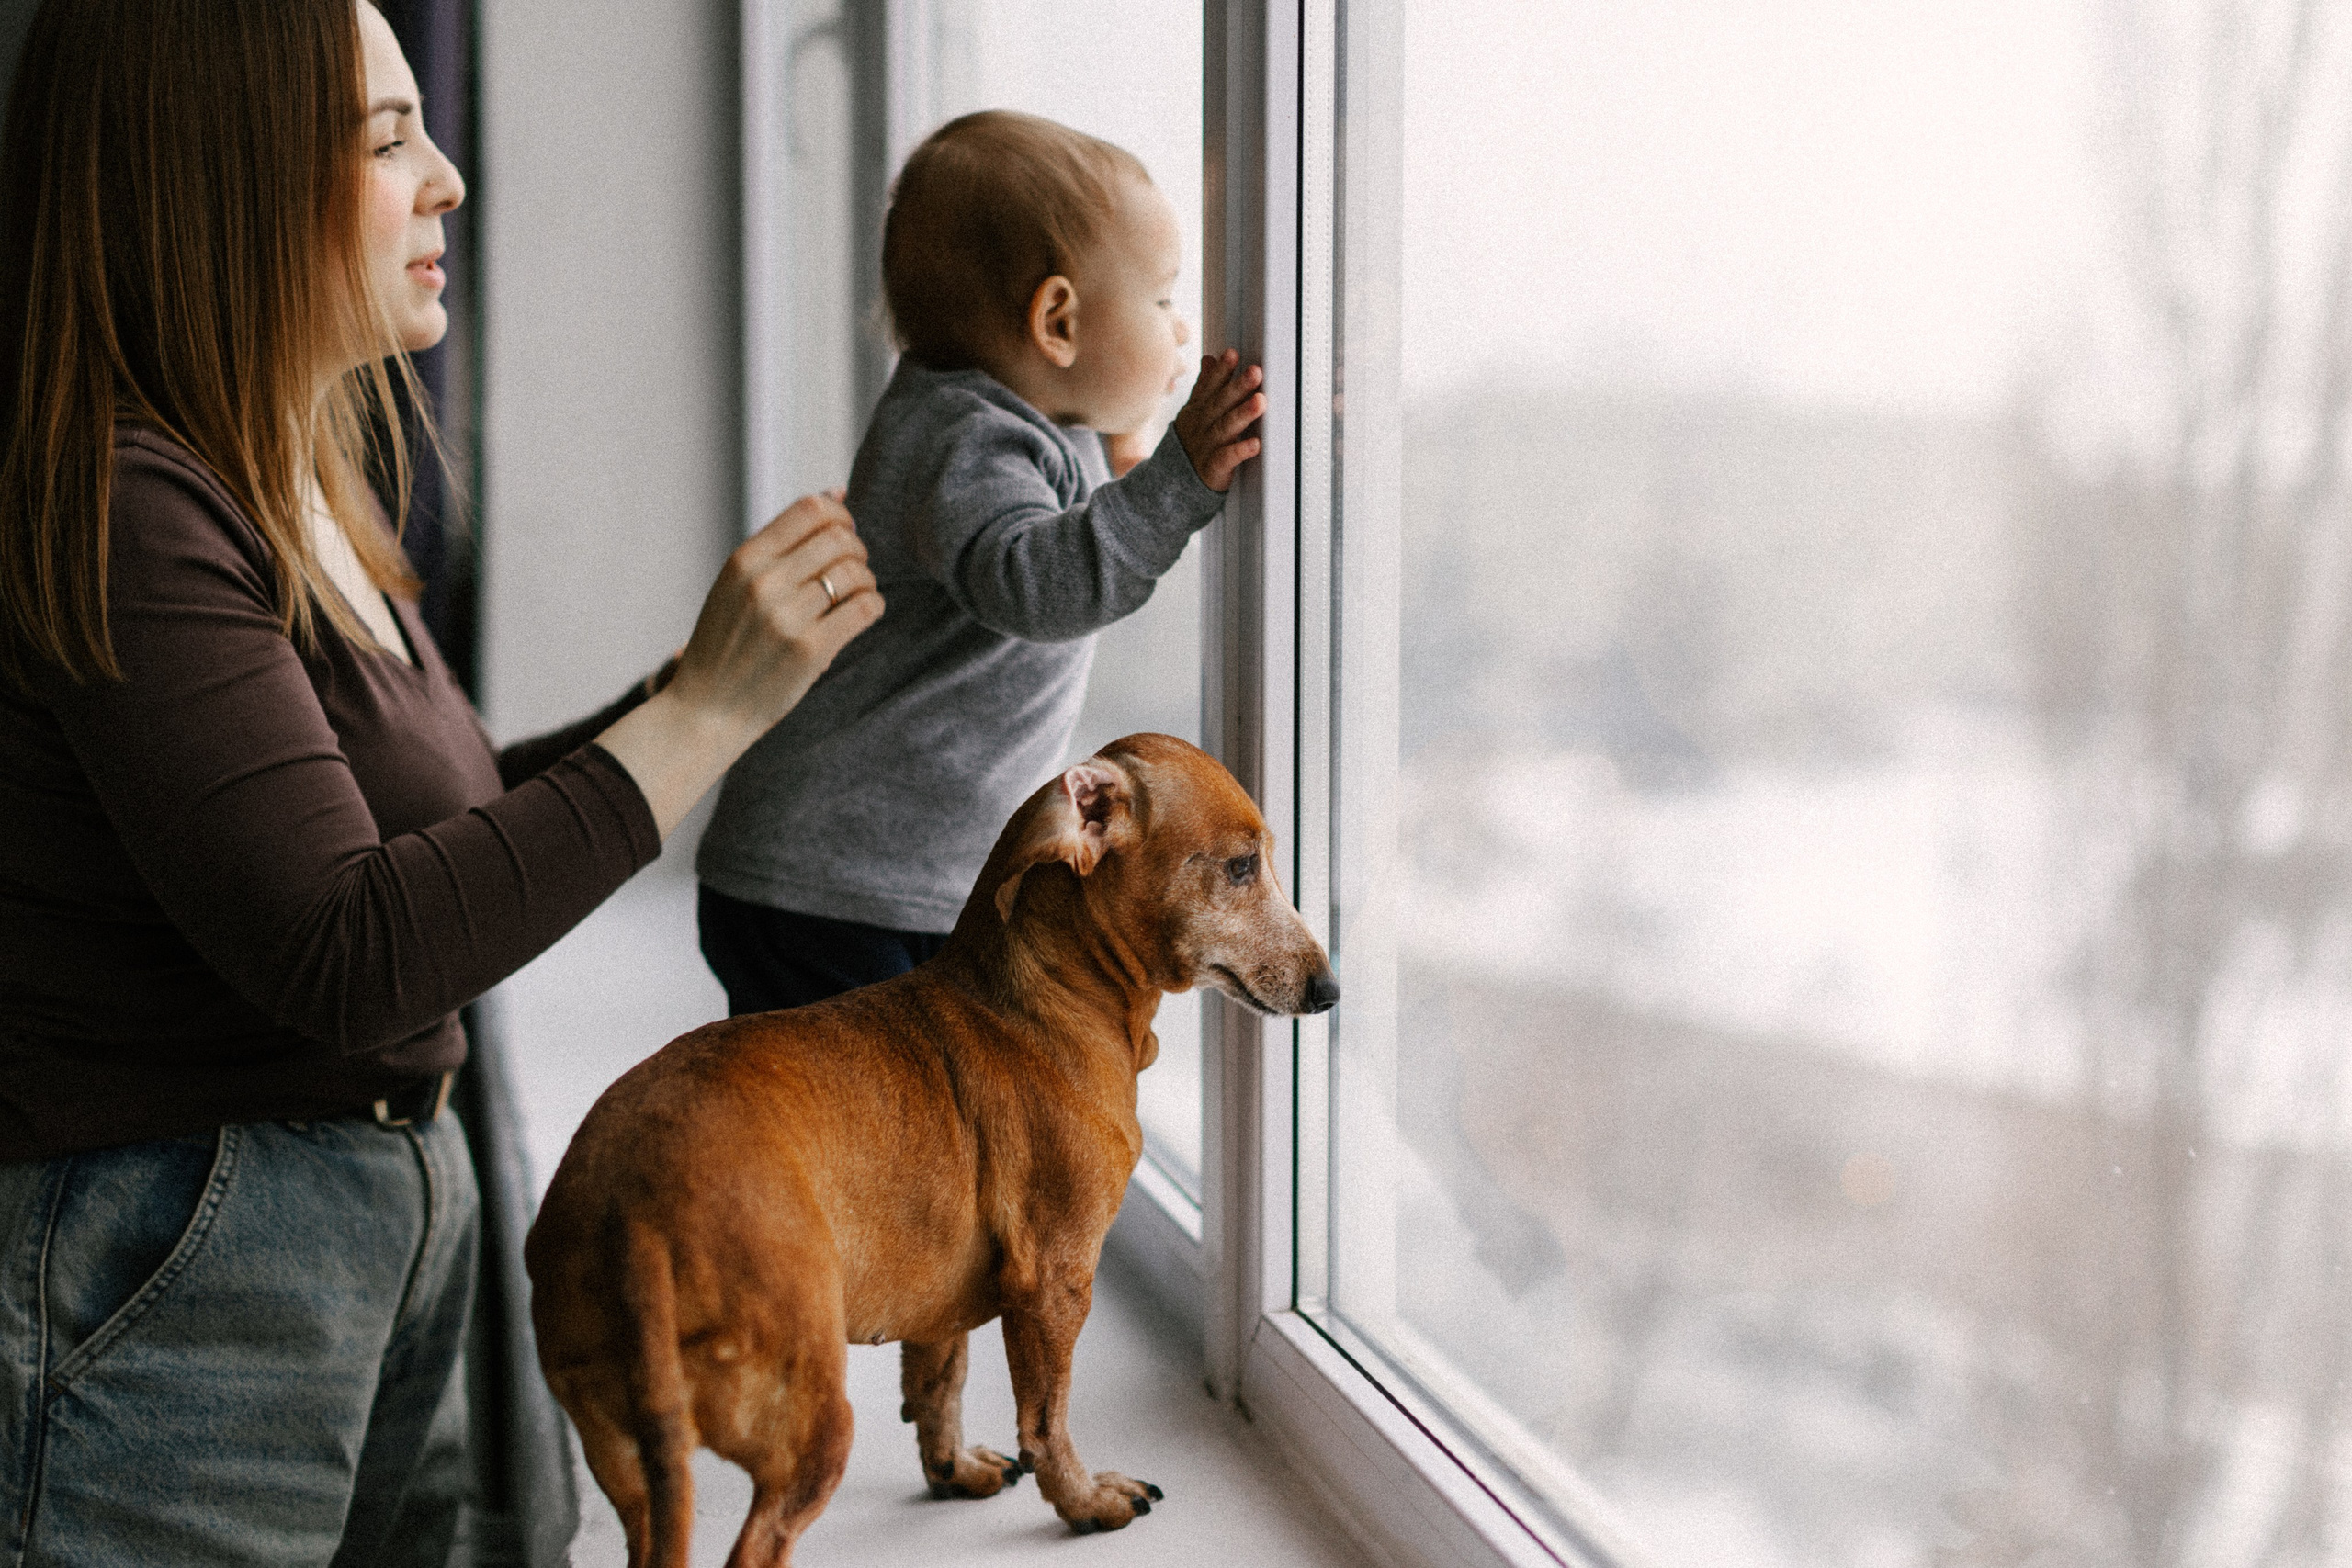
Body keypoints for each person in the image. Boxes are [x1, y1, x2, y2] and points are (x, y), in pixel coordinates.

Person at [0, 2, 882, 1562]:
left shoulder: (285, 473)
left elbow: (436, 827)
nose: (450, 179)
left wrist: (733, 696)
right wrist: (696, 713)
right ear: (225, 173)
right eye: (389, 136)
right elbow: (349, 943)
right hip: (178, 1274)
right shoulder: (128, 499)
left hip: (356, 1236)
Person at [695, 109, 1264, 1016]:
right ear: (1058, 321)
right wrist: (1177, 476)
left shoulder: (1013, 423)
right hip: (830, 887)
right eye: (1159, 299)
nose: (1181, 323)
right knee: (880, 1130)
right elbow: (1045, 584)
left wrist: (1124, 454)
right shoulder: (964, 440)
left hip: (864, 878)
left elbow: (1060, 518)